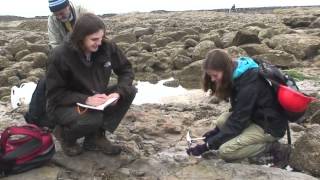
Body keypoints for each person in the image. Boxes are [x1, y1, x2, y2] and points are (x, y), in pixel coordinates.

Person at [46, 13, 137, 156]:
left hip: (94, 95)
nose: (99, 43)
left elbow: (126, 70)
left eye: (101, 38)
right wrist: (86, 100)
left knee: (129, 91)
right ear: (80, 37)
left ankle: (95, 137)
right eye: (94, 39)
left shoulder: (106, 47)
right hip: (63, 105)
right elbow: (54, 94)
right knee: (92, 119)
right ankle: (65, 135)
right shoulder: (60, 55)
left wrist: (118, 93)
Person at [186, 49, 291, 168]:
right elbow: (239, 113)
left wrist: (207, 146)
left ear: (225, 70)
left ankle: (273, 147)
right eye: (210, 76)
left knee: (226, 151)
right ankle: (237, 137)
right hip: (255, 117)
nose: (212, 79)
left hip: (270, 126)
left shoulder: (249, 83)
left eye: (215, 75)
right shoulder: (237, 72)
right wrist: (216, 132)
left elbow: (238, 122)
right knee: (221, 122)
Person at [24, 0, 87, 128]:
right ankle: (33, 118)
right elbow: (54, 44)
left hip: (86, 59)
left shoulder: (84, 12)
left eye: (61, 13)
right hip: (66, 58)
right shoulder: (52, 19)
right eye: (56, 14)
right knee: (45, 81)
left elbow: (94, 37)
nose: (59, 17)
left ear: (68, 6)